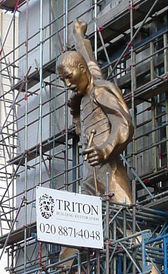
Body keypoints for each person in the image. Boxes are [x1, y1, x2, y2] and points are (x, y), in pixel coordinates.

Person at [57, 19, 134, 204]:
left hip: (108, 172)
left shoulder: (99, 90)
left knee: (124, 222)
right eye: (63, 80)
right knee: (90, 227)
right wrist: (78, 36)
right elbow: (89, 60)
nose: (67, 84)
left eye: (69, 77)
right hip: (89, 176)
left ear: (80, 70)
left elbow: (123, 123)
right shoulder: (87, 87)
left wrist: (105, 148)